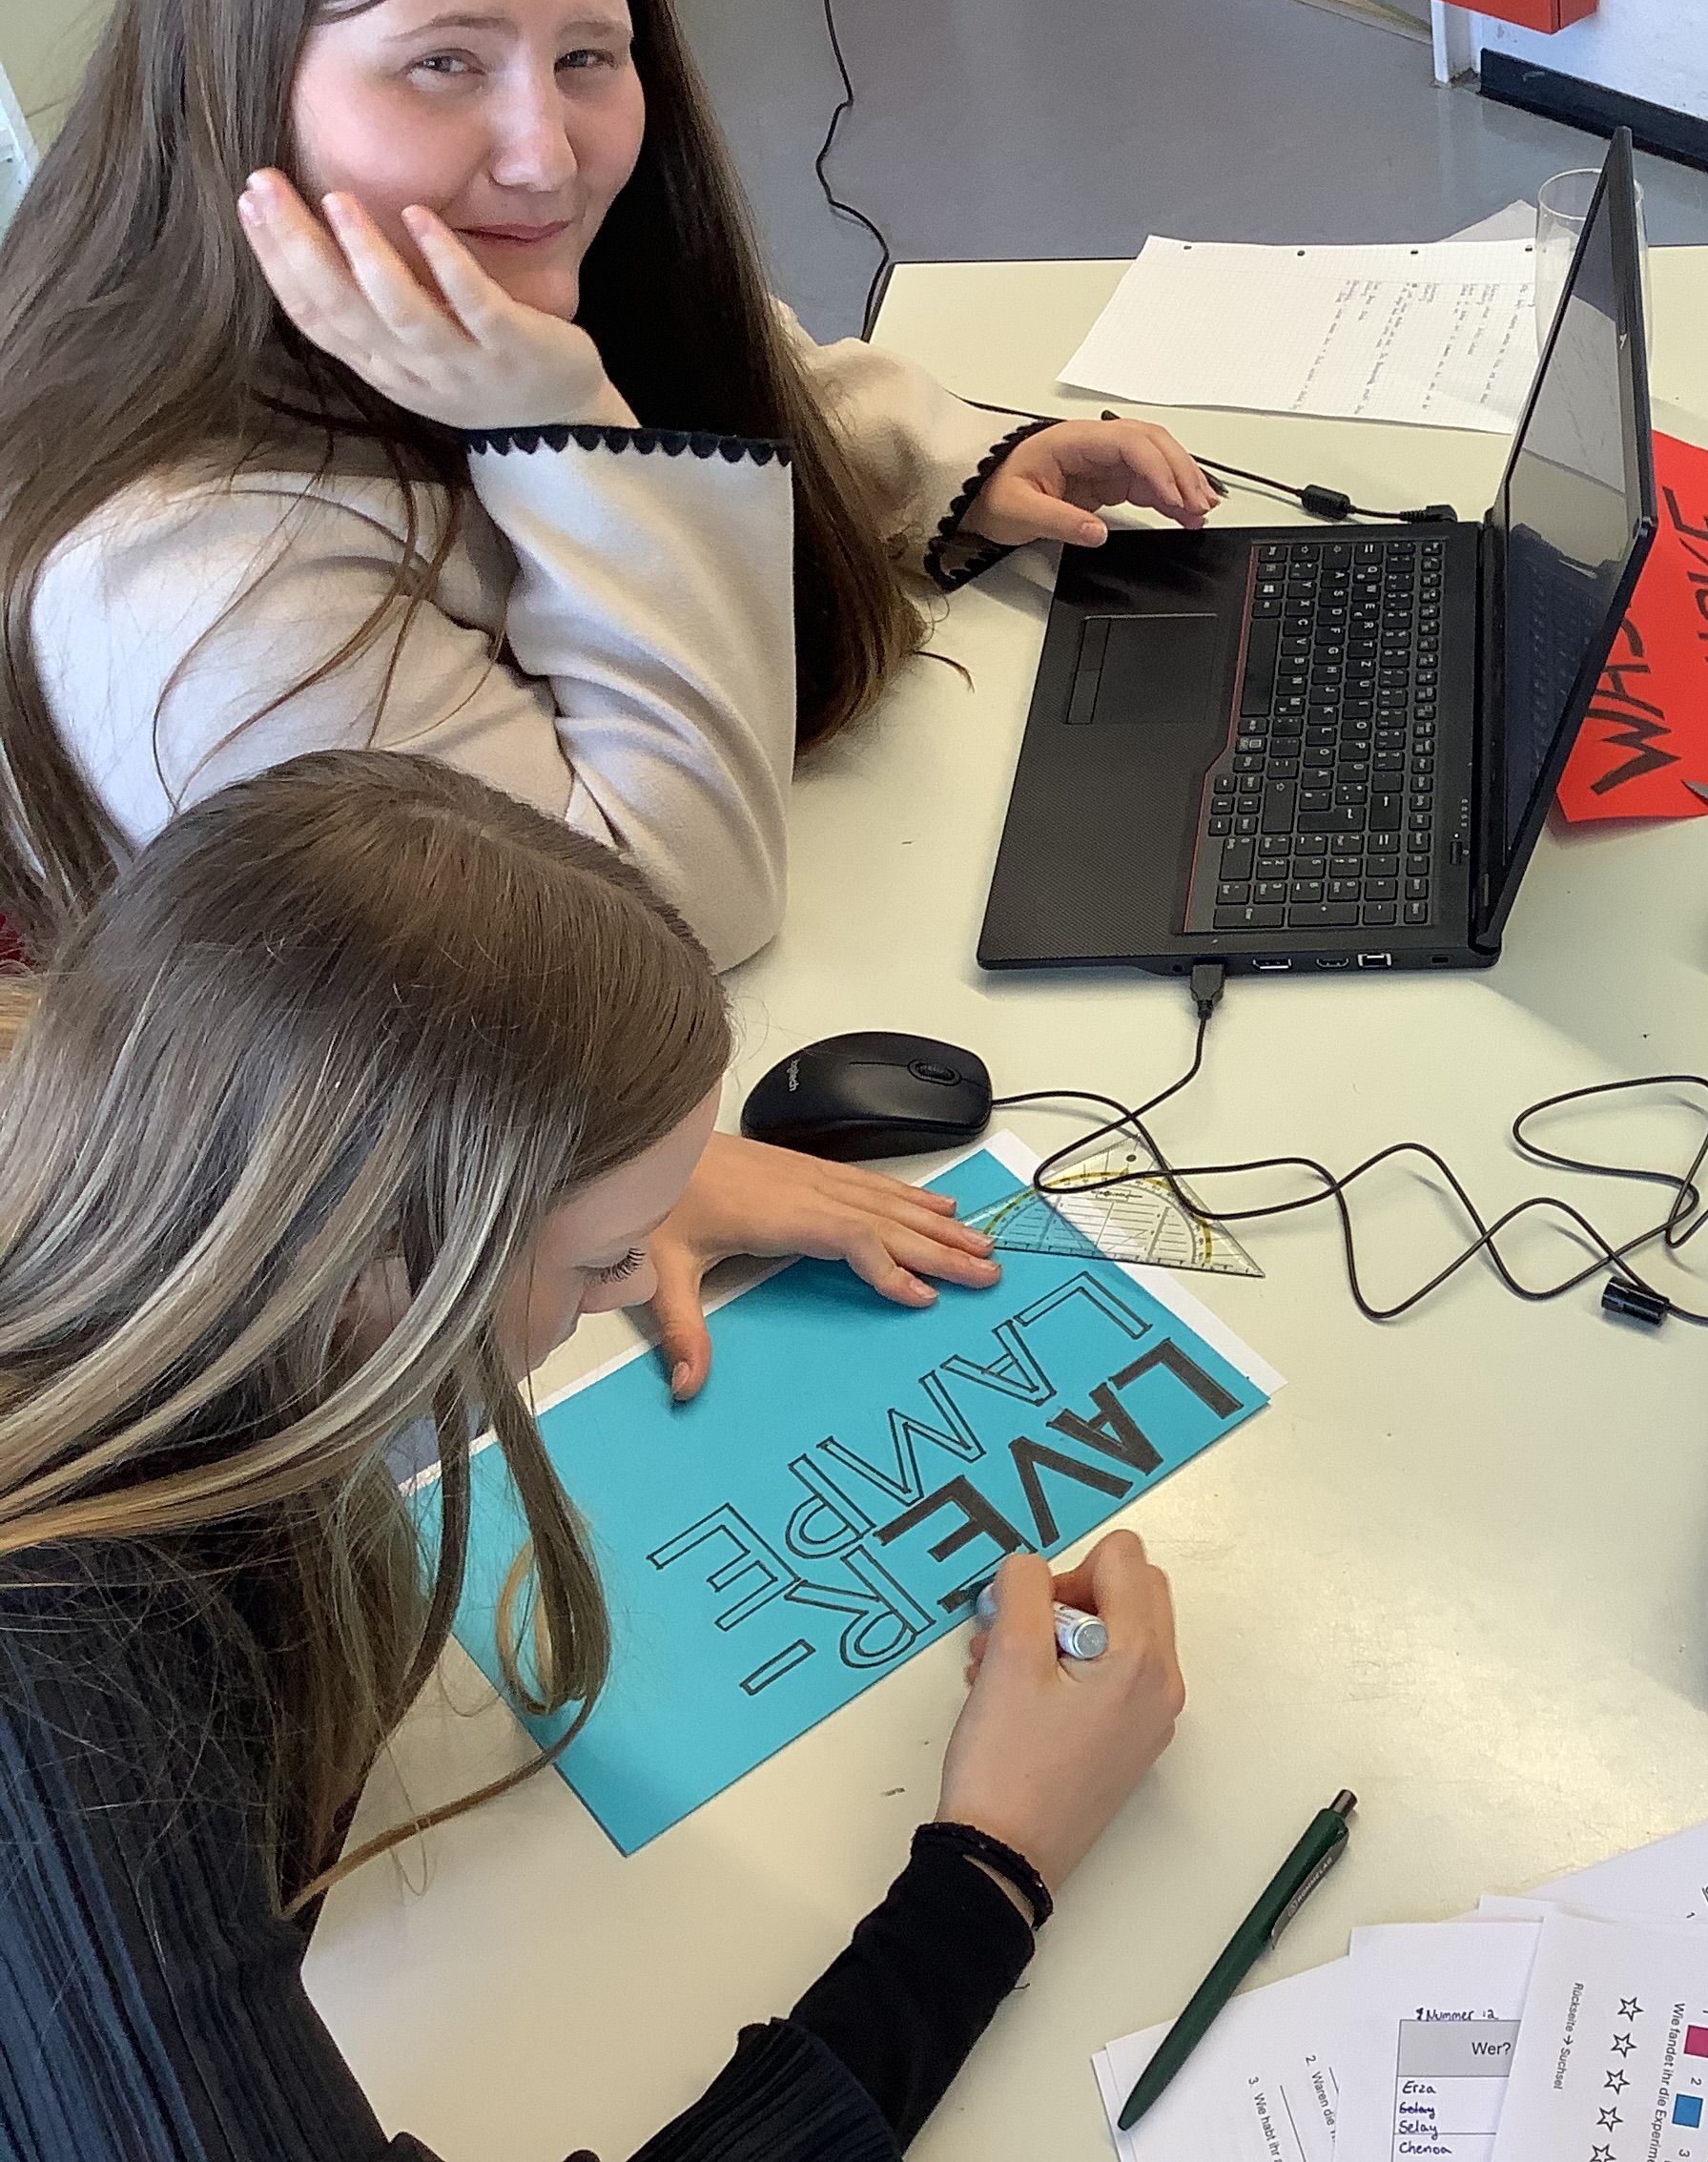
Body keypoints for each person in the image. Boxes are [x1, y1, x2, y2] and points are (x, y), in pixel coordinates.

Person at [0, 0, 1222, 1388]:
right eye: (441, 63)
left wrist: (940, 461)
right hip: (377, 1249)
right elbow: (658, 919)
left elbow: (722, 362)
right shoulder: (191, 576)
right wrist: (561, 434)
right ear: (236, 73)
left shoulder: (462, 269)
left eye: (587, 54)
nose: (544, 151)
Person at [0, 750, 1188, 2161]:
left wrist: (618, 1183)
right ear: (375, 1276)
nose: (630, 1281)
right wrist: (991, 1873)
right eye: (608, 1258)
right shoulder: (84, 1742)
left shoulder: (97, 1159)